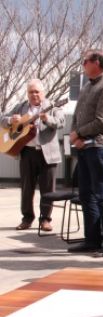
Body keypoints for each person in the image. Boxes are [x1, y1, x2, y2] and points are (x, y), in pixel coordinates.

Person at [68, 49, 103, 257]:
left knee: (102, 195)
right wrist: (76, 135)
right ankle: (92, 240)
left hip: (99, 147)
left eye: (85, 61)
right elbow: (77, 116)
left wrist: (79, 133)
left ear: (97, 63)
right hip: (84, 147)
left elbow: (102, 121)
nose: (82, 65)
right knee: (86, 195)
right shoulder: (86, 87)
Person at [0, 79, 65, 231]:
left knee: (47, 189)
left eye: (37, 91)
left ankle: (45, 220)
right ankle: (27, 219)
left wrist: (47, 118)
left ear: (42, 92)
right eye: (31, 92)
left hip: (47, 153)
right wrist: (11, 120)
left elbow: (61, 122)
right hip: (27, 152)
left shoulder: (52, 106)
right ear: (27, 94)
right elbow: (2, 119)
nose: (34, 94)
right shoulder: (20, 107)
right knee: (26, 188)